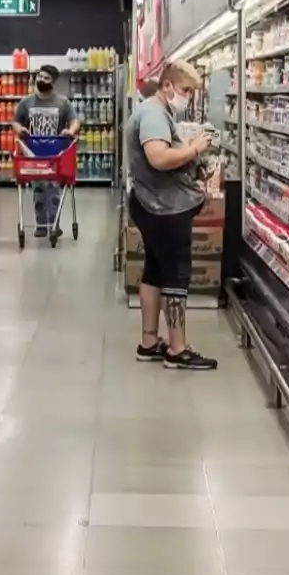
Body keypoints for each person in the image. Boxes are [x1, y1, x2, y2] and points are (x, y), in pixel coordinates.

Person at [125, 60, 218, 370]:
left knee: (154, 270)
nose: (188, 97)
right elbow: (159, 157)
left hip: (151, 203)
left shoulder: (155, 110)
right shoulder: (153, 114)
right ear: (167, 86)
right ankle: (177, 349)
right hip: (164, 209)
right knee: (176, 276)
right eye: (185, 90)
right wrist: (193, 149)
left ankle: (149, 343)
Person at [12, 64, 79, 237]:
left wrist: (69, 132)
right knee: (38, 190)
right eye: (40, 76)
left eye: (46, 78)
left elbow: (74, 121)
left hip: (54, 155)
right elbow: (16, 122)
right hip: (33, 155)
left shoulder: (62, 102)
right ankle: (41, 225)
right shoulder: (26, 102)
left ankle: (54, 223)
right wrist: (20, 130)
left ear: (53, 82)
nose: (41, 80)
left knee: (53, 189)